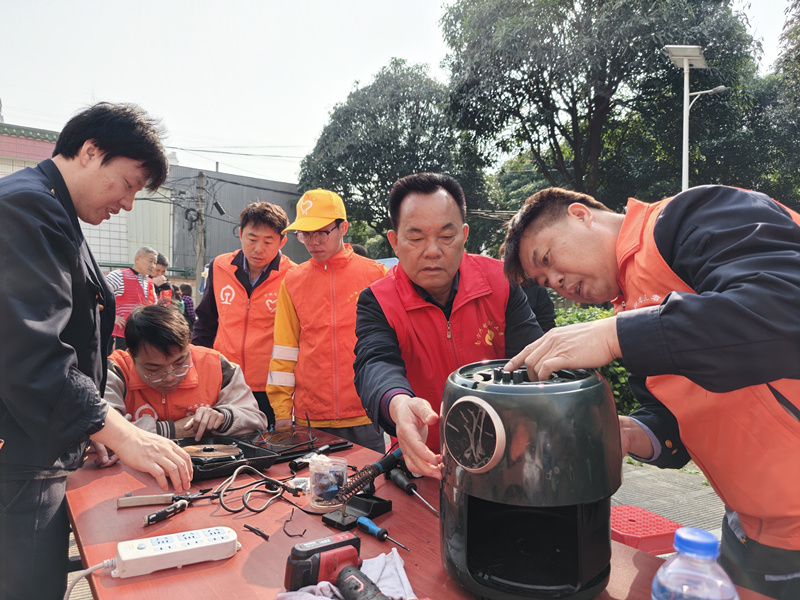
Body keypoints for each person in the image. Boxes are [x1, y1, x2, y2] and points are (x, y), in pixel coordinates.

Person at [501, 185, 800, 599]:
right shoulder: (629, 307)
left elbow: (783, 307)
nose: (555, 281)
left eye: (547, 259)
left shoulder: (689, 217)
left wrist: (614, 335)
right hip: (749, 528)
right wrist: (625, 432)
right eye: (544, 282)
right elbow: (672, 423)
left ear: (581, 214)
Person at [0, 102, 192, 600]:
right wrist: (125, 434)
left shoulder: (54, 210)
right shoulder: (25, 208)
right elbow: (33, 354)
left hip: (35, 450)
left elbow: (72, 340)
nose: (128, 203)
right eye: (128, 184)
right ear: (90, 152)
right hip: (15, 460)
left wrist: (88, 427)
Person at [353, 173, 544, 477]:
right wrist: (398, 404)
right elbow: (375, 362)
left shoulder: (501, 282)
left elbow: (532, 359)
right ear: (395, 241)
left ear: (464, 234)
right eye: (416, 238)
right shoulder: (378, 300)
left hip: (510, 457)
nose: (432, 250)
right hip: (428, 462)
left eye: (446, 236)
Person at [267, 189, 387, 454]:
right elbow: (284, 351)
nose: (312, 242)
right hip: (311, 420)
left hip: (366, 414)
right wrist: (282, 413)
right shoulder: (293, 281)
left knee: (373, 492)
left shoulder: (376, 275)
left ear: (343, 227)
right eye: (305, 234)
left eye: (321, 232)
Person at [193, 202, 295, 428]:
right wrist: (197, 369)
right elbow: (205, 323)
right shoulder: (220, 267)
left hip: (271, 386)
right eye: (252, 238)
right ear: (240, 234)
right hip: (225, 381)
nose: (259, 248)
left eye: (268, 241)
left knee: (270, 448)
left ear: (282, 241)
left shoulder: (294, 275)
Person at [105, 304, 268, 440]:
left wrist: (224, 417)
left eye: (180, 362)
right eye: (154, 369)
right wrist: (174, 430)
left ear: (189, 343)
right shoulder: (115, 371)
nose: (170, 377)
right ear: (131, 355)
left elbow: (257, 420)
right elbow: (100, 430)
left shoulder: (218, 365)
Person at [106, 245, 158, 350]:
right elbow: (99, 294)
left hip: (142, 335)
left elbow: (153, 306)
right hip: (121, 335)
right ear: (137, 259)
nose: (153, 266)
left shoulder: (150, 282)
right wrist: (113, 316)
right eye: (150, 261)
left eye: (155, 262)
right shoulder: (119, 276)